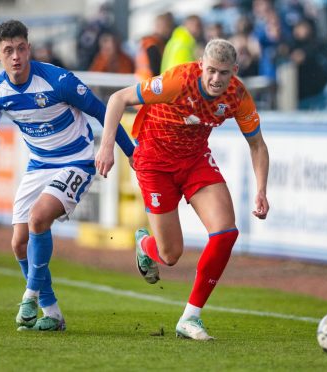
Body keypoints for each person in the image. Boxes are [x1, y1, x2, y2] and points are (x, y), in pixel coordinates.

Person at [0, 20, 135, 332]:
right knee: (19, 243)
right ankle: (52, 314)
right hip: (39, 165)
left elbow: (103, 112)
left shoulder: (58, 80)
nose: (16, 56)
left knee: (38, 219)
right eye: (8, 51)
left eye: (21, 48)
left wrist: (131, 152)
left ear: (29, 48)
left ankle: (30, 296)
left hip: (76, 160)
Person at [95, 39, 270, 340]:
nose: (216, 79)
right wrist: (107, 146)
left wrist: (262, 190)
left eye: (224, 73)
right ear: (201, 65)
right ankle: (145, 246)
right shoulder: (177, 81)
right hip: (154, 161)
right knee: (171, 254)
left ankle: (191, 317)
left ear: (234, 72)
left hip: (194, 160)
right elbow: (118, 99)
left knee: (226, 232)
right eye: (211, 71)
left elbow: (257, 144)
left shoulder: (237, 95)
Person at [134, 11, 175, 81]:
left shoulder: (147, 42)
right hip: (149, 84)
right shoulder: (152, 45)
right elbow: (156, 70)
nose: (169, 30)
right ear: (158, 26)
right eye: (167, 26)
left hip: (143, 82)